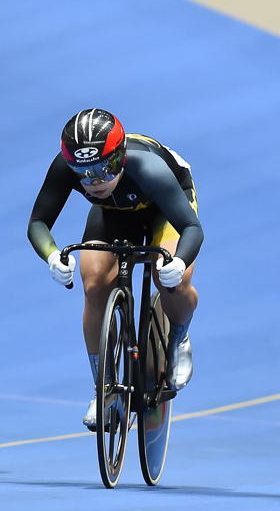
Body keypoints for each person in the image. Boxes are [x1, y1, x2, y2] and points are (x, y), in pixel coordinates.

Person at [28, 108, 202, 428]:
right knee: (93, 284)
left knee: (171, 279)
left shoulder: (149, 168)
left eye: (104, 169)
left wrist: (178, 263)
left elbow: (192, 228)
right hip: (115, 212)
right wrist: (53, 255)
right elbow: (38, 222)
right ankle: (103, 391)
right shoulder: (68, 169)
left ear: (120, 157)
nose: (94, 182)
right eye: (83, 173)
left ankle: (179, 336)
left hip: (164, 207)